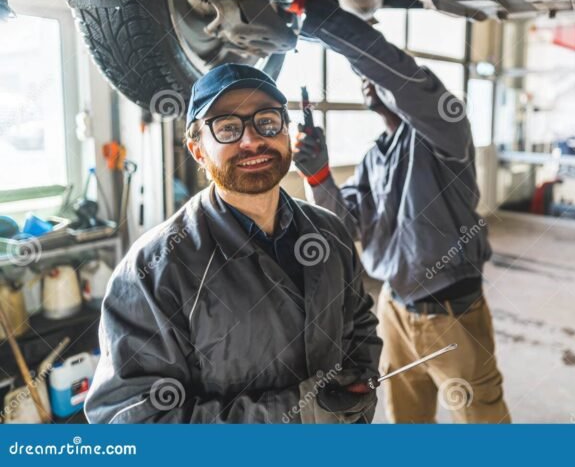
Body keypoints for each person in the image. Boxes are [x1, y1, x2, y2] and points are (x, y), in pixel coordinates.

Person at [85, 64, 382, 423]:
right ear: (198, 151)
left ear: (287, 133)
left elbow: (360, 322)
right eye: (227, 128)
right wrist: (301, 414)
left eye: (267, 121)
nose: (252, 140)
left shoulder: (330, 233)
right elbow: (132, 419)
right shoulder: (154, 270)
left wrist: (358, 391)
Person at [292, 0, 510, 423]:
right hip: (393, 310)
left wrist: (320, 18)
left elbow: (399, 77)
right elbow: (346, 223)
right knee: (406, 423)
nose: (365, 80)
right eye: (360, 76)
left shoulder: (445, 131)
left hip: (451, 318)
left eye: (371, 71)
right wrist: (317, 176)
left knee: (484, 426)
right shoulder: (376, 156)